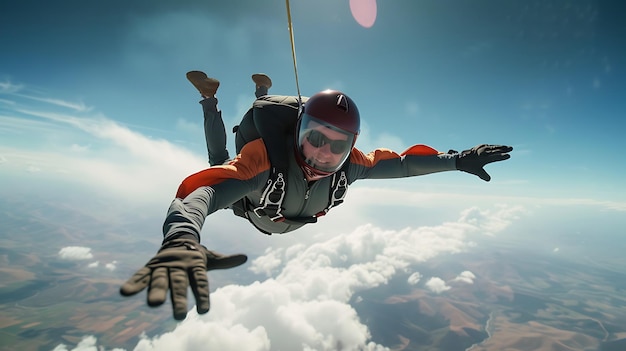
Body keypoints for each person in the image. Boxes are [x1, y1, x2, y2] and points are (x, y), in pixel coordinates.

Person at [120, 71, 513, 320]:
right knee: (219, 159)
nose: (324, 154)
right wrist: (182, 237)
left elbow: (405, 164)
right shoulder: (263, 162)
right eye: (315, 139)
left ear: (350, 146)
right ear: (298, 132)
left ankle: (260, 90)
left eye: (337, 145)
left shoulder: (351, 165)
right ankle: (212, 99)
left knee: (225, 157)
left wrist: (458, 160)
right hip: (251, 209)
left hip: (276, 217)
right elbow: (201, 191)